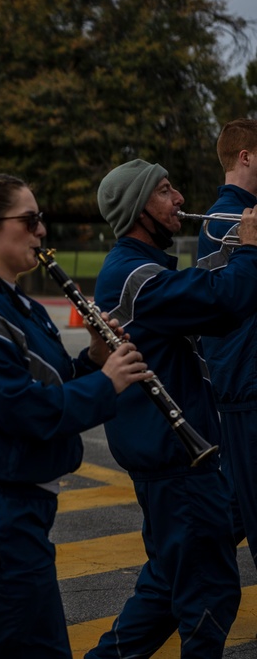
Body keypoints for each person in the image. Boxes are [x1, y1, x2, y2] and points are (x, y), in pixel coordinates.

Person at [0, 172, 148, 658]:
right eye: (28, 221)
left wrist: (91, 359)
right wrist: (107, 382)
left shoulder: (14, 301)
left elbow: (40, 383)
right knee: (31, 646)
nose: (41, 231)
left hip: (5, 500)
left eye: (40, 220)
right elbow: (22, 410)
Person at [87, 159, 257, 657]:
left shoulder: (144, 270)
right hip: (176, 463)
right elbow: (223, 302)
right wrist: (249, 248)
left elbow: (198, 293)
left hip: (170, 459)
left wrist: (233, 253)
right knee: (210, 596)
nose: (180, 198)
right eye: (165, 192)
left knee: (166, 588)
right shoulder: (135, 274)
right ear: (139, 208)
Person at [196, 119, 257, 570]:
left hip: (243, 378)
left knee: (235, 507)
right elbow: (229, 298)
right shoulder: (228, 220)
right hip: (245, 381)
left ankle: (175, 584)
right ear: (246, 157)